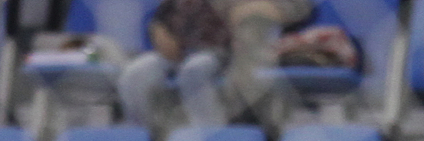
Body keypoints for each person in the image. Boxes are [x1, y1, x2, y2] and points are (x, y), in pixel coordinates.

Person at [116, 0, 311, 129]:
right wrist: (160, 28)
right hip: (181, 51)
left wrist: (266, 9)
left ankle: (209, 140)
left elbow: (300, 9)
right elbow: (163, 16)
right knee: (136, 73)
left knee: (196, 68)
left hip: (229, 51)